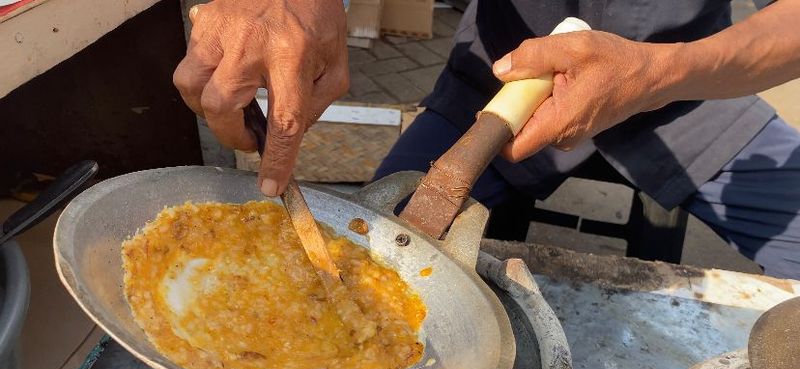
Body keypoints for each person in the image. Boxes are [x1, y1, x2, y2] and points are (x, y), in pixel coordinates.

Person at [172, 0, 800, 279]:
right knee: (368, 250)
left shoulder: (676, 78)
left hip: (685, 90)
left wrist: (664, 73)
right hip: (494, 89)